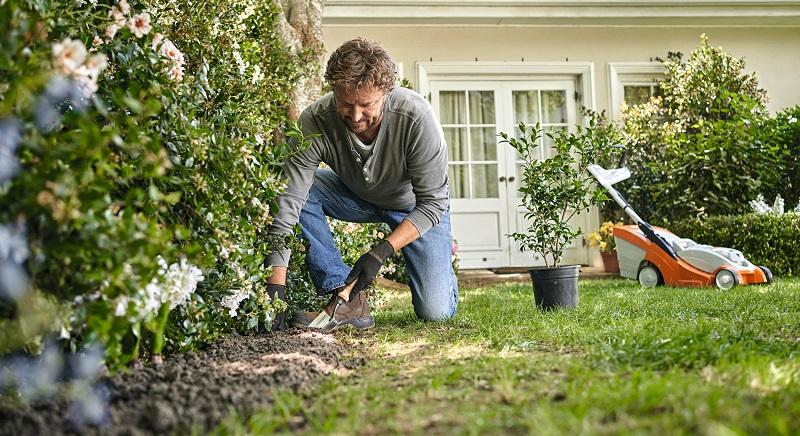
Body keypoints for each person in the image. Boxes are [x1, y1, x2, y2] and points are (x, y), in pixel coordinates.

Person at [264, 38, 458, 330]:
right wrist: (274, 292)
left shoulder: (415, 118)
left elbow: (433, 204)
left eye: (366, 105)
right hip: (355, 195)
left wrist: (381, 252)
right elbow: (289, 203)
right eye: (346, 104)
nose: (355, 116)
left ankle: (444, 283)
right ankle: (347, 301)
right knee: (300, 192)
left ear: (386, 92)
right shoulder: (316, 121)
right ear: (333, 90)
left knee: (435, 312)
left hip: (415, 208)